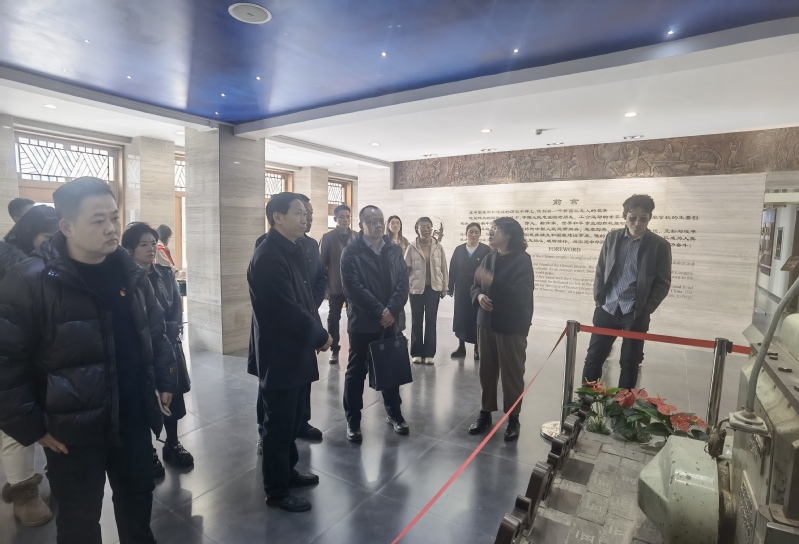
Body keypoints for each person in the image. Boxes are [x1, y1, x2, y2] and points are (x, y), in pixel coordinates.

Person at [0, 177, 177, 543]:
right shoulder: (30, 280)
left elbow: (156, 331)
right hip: (72, 432)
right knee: (78, 521)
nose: (111, 228)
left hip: (132, 417)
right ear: (66, 226)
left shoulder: (130, 271)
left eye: (114, 217)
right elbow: (6, 363)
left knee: (138, 505)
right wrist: (33, 427)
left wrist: (165, 378)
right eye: (98, 220)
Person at [248, 192, 332, 513]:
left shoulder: (293, 249)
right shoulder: (268, 256)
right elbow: (286, 309)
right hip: (280, 352)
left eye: (306, 213)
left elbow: (303, 300)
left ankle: (289, 471)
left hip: (296, 349)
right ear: (277, 217)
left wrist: (312, 332)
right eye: (298, 213)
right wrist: (319, 335)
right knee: (278, 424)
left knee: (293, 419)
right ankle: (276, 490)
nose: (305, 218)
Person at [0, 205, 58, 527]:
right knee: (14, 427)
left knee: (46, 418)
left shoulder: (49, 263)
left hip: (43, 356)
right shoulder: (11, 266)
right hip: (11, 355)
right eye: (47, 236)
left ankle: (55, 472)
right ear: (28, 233)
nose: (53, 243)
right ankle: (24, 494)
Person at [122, 222, 194, 476]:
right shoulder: (125, 279)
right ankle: (147, 450)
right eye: (143, 244)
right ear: (129, 249)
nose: (151, 249)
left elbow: (175, 306)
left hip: (167, 344)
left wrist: (171, 329)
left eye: (153, 243)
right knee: (144, 400)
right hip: (140, 350)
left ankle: (172, 443)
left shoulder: (163, 273)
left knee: (172, 395)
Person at [580, 194, 672, 390]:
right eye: (633, 217)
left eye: (643, 218)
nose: (637, 223)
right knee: (594, 358)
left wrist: (646, 309)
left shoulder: (659, 245)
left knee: (630, 363)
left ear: (650, 217)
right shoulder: (612, 238)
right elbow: (601, 269)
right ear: (624, 215)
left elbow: (663, 283)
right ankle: (585, 402)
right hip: (608, 307)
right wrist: (599, 301)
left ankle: (621, 406)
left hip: (635, 312)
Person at [341, 205, 410, 442]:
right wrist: (380, 310)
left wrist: (392, 309)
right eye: (372, 221)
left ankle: (394, 414)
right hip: (363, 322)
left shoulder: (394, 249)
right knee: (356, 372)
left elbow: (403, 282)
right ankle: (353, 420)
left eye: (380, 220)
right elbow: (353, 288)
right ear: (361, 225)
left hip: (390, 321)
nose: (378, 225)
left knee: (391, 369)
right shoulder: (351, 253)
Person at [469, 218, 534, 442]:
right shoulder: (489, 257)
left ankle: (513, 418)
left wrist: (492, 281)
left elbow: (522, 294)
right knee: (486, 371)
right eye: (491, 229)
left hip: (511, 325)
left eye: (496, 229)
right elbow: (474, 286)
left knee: (512, 374)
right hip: (485, 323)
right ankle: (485, 412)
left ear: (509, 234)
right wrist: (479, 295)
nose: (490, 233)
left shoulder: (522, 260)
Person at [405, 217, 448, 365]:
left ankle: (429, 353)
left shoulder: (438, 246)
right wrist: (405, 287)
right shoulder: (412, 246)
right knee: (416, 321)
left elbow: (443, 267)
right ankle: (416, 352)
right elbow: (406, 269)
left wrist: (444, 288)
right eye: (422, 226)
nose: (426, 229)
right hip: (416, 289)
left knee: (431, 321)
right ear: (417, 229)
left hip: (433, 289)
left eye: (428, 226)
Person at [320, 204, 357, 365]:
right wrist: (324, 287)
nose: (345, 220)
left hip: (354, 287)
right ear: (335, 219)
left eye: (347, 217)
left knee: (354, 317)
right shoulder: (328, 237)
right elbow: (322, 264)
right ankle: (334, 349)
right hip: (335, 285)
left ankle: (355, 347)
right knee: (334, 317)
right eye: (342, 217)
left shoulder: (357, 236)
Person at [448, 222, 491, 360]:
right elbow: (453, 268)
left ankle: (477, 348)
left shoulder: (486, 249)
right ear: (466, 233)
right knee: (461, 315)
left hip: (478, 287)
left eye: (476, 232)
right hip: (461, 287)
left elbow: (489, 270)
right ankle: (461, 347)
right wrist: (450, 287)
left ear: (480, 234)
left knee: (476, 316)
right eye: (471, 232)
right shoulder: (459, 249)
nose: (473, 234)